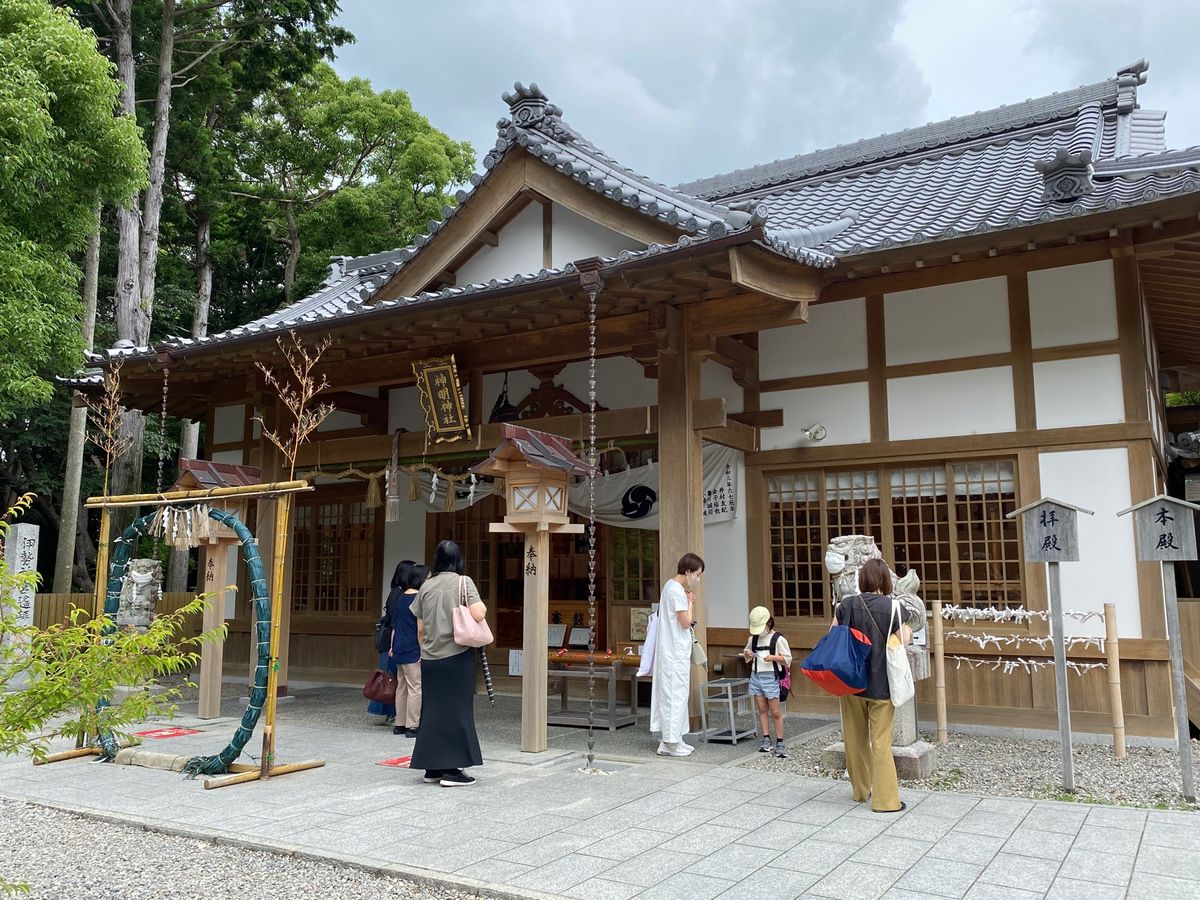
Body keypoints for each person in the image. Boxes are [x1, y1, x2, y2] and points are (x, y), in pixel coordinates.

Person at [831, 557, 913, 813]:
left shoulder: (846, 605)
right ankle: (886, 801)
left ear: (862, 580)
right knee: (881, 742)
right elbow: (904, 640)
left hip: (851, 684)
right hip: (882, 686)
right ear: (886, 581)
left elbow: (832, 636)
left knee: (854, 740)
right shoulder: (894, 608)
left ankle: (860, 790)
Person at [409, 540, 486, 787]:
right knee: (456, 711)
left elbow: (420, 628)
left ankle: (432, 767)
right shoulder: (464, 582)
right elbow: (478, 613)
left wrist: (426, 650)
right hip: (456, 655)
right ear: (458, 559)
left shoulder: (426, 586)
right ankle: (452, 770)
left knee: (431, 712)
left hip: (430, 658)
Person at [650, 552, 704, 757]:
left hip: (671, 650)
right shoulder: (676, 591)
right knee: (675, 695)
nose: (698, 579)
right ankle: (671, 741)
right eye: (697, 574)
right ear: (688, 572)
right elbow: (685, 621)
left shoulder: (670, 587)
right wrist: (691, 602)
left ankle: (672, 740)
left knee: (675, 694)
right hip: (674, 652)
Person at [742, 606, 792, 758]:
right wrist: (748, 653)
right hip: (756, 676)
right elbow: (747, 655)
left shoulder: (778, 639)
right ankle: (765, 739)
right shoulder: (753, 639)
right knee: (762, 710)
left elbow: (787, 659)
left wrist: (773, 658)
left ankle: (780, 742)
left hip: (771, 677)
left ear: (769, 623)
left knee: (776, 712)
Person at [388, 561, 427, 737]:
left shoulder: (401, 597)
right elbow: (420, 629)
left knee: (401, 686)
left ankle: (399, 724)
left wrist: (391, 646)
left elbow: (394, 626)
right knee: (415, 687)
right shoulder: (419, 598)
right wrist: (422, 649)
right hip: (412, 648)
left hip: (398, 646)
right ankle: (413, 725)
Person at [367, 564, 407, 724]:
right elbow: (394, 620)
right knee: (390, 678)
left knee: (392, 677)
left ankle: (391, 712)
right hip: (391, 641)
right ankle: (390, 712)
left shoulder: (397, 592)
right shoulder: (397, 594)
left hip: (393, 640)